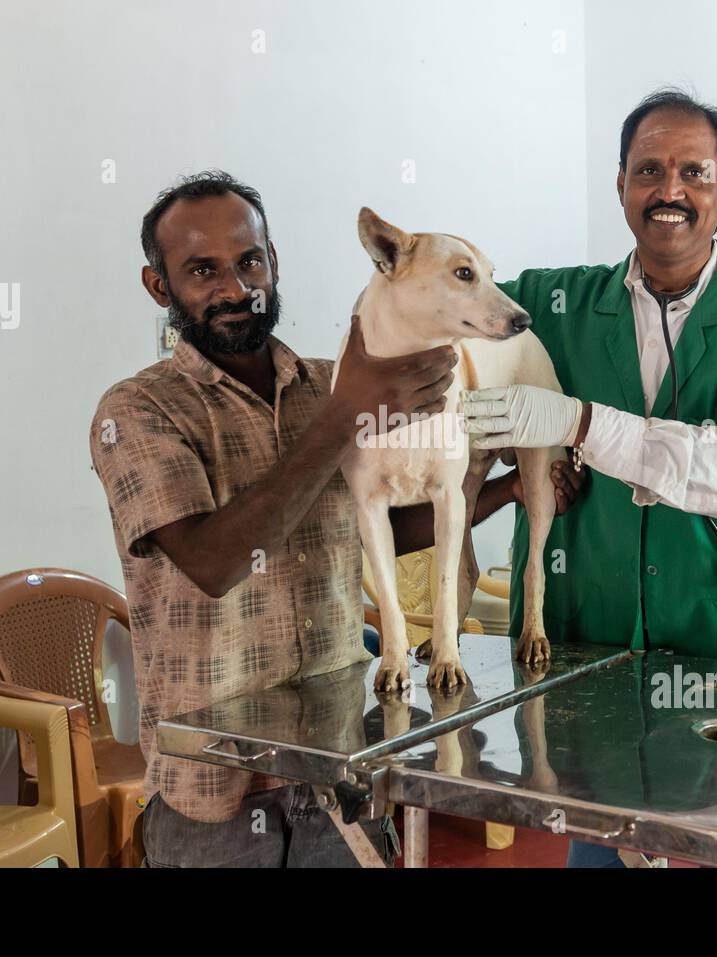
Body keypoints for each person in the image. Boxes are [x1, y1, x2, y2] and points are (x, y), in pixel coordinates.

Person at [90, 170, 580, 867]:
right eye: (202, 270)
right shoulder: (138, 412)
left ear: (274, 263)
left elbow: (380, 518)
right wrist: (346, 416)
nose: (235, 288)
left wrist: (502, 493)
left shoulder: (335, 379)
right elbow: (213, 561)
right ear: (159, 287)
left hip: (341, 770)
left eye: (249, 261)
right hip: (218, 794)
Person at [459, 90, 717, 867]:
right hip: (588, 642)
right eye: (648, 169)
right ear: (619, 184)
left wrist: (577, 425)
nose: (670, 190)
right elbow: (442, 347)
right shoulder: (550, 304)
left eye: (694, 170)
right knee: (598, 834)